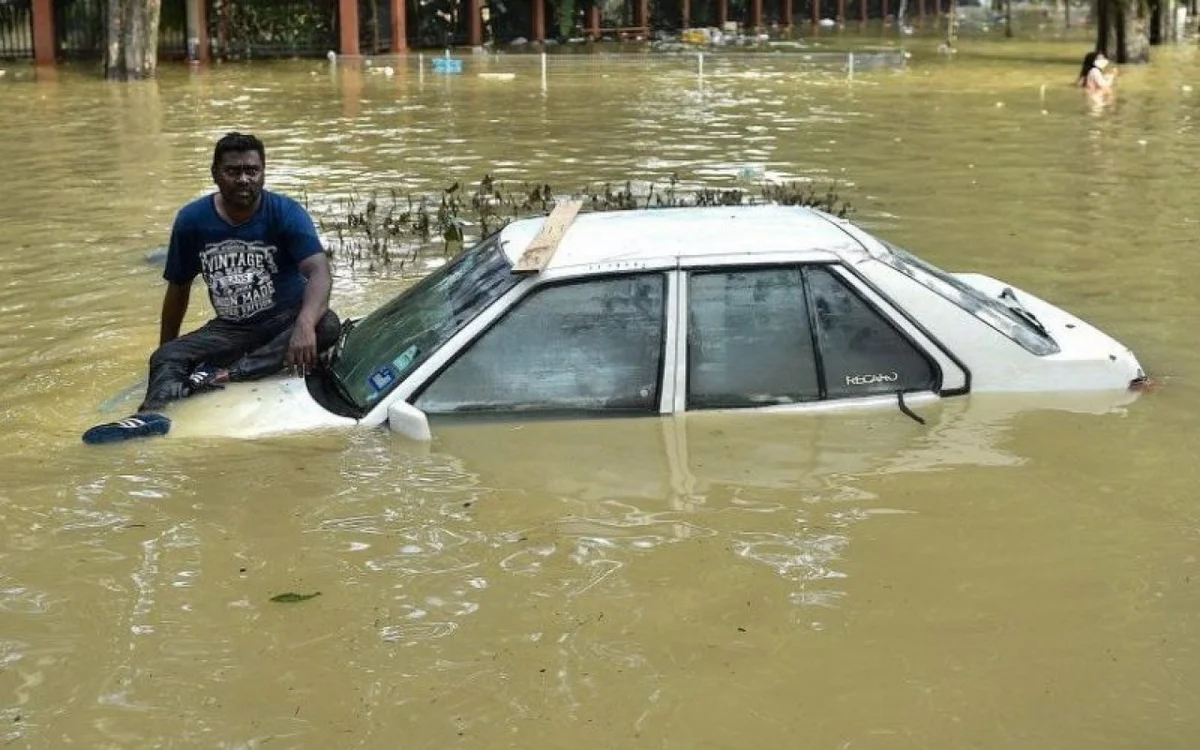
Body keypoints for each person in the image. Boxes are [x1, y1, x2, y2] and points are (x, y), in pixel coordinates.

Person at [83, 132, 341, 444]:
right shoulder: (192, 220)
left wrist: (303, 325)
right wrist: (168, 352)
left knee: (326, 325)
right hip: (231, 328)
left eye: (252, 170)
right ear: (215, 174)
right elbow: (178, 288)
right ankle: (150, 415)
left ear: (263, 172)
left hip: (283, 321)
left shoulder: (285, 212)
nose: (244, 179)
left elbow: (320, 273)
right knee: (166, 356)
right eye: (233, 171)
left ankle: (225, 374)